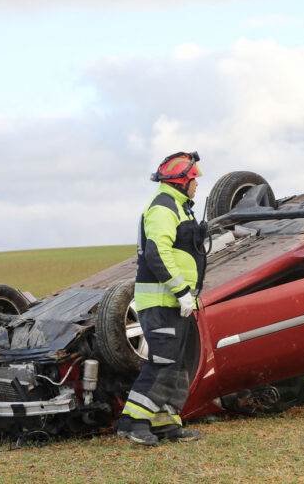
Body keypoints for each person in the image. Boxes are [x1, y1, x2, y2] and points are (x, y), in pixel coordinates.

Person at [117, 151, 206, 445]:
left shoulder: (180, 206)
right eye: (193, 179)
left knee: (179, 363)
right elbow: (157, 253)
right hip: (161, 301)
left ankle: (166, 422)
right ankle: (133, 422)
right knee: (161, 361)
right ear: (181, 181)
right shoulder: (163, 207)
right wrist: (181, 290)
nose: (196, 185)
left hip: (177, 303)